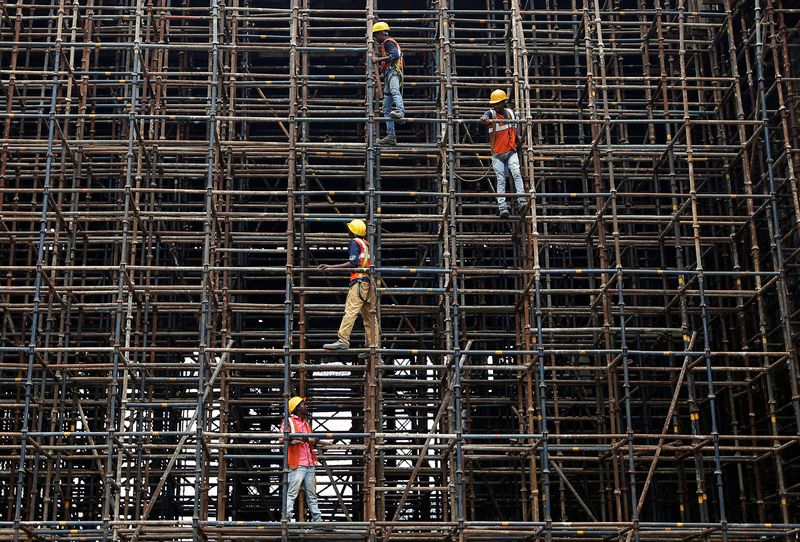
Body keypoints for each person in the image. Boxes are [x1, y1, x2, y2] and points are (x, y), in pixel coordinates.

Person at [318, 219, 380, 359]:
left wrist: (331, 267)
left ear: (351, 232)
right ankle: (374, 348)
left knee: (350, 311)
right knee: (370, 317)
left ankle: (343, 340)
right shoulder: (367, 244)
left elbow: (353, 262)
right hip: (369, 284)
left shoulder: (355, 243)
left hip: (358, 283)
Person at [479, 89, 528, 218]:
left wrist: (520, 140)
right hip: (497, 154)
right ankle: (502, 208)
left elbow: (516, 129)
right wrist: (484, 118)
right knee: (501, 180)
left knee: (517, 173)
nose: (495, 106)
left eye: (498, 103)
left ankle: (522, 201)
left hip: (511, 151)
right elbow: (486, 115)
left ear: (503, 102)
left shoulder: (511, 114)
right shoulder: (492, 114)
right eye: (493, 104)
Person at [280, 396, 323, 522]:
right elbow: (283, 439)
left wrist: (314, 440)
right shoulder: (289, 422)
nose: (306, 406)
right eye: (304, 404)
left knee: (312, 494)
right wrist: (300, 438)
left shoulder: (306, 423)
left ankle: (317, 519)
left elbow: (309, 441)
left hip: (309, 462)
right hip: (297, 463)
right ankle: (286, 517)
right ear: (297, 408)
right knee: (292, 492)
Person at [372, 21, 404, 146]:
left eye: (376, 35)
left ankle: (400, 111)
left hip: (393, 72)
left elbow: (395, 55)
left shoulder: (388, 42)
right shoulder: (386, 43)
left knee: (395, 91)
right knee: (386, 108)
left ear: (381, 33)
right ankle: (391, 136)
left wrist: (378, 59)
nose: (376, 38)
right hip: (389, 74)